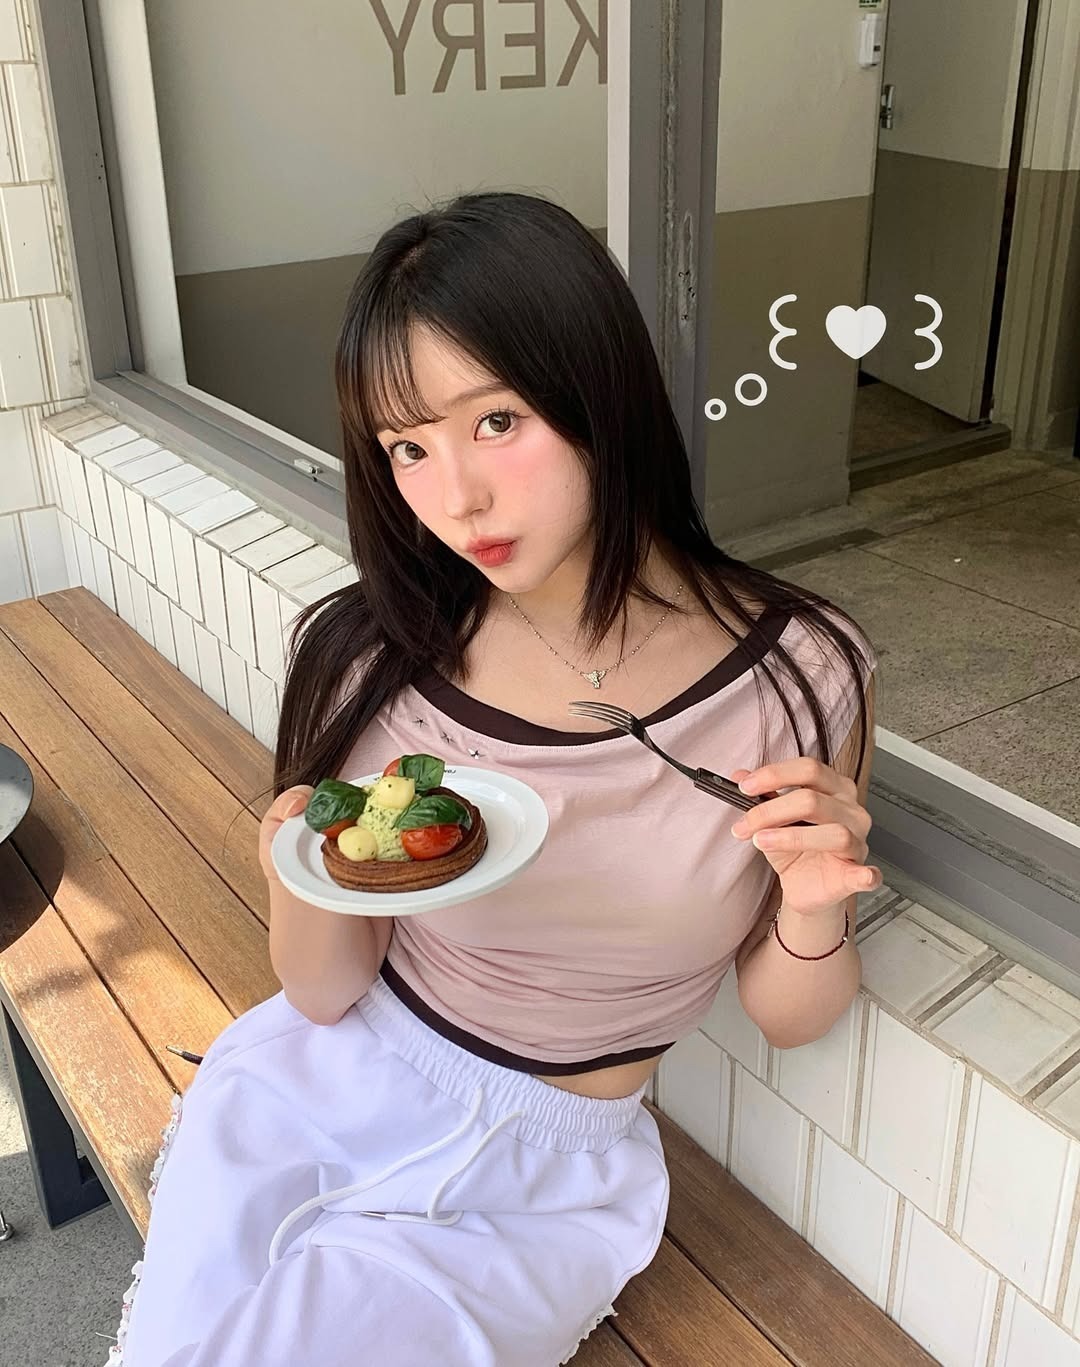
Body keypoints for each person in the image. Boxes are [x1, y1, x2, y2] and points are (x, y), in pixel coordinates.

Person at [107, 191, 880, 1366]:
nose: (454, 497)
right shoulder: (371, 654)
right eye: (408, 447)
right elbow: (322, 989)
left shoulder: (799, 674)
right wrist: (299, 868)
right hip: (330, 1084)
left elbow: (791, 1016)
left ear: (599, 390)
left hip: (548, 1175)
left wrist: (816, 903)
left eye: (498, 421)